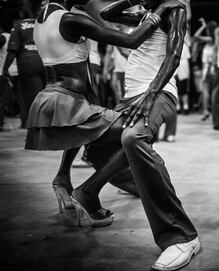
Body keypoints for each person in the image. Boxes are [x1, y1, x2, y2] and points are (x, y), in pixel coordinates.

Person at [24, 0, 182, 230]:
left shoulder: (42, 18)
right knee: (136, 133)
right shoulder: (71, 19)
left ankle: (63, 178)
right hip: (67, 101)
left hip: (51, 99)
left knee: (107, 137)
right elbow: (131, 40)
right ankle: (89, 191)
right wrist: (159, 10)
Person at [101, 0, 199, 271]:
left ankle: (182, 236)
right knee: (97, 140)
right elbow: (106, 14)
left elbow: (174, 56)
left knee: (133, 139)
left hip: (158, 93)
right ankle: (98, 191)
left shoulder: (175, 11)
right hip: (132, 96)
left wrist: (151, 93)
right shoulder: (147, 15)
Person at [2, 1, 46, 125]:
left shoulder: (19, 25)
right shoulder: (42, 24)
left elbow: (12, 51)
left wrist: (5, 69)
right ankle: (48, 124)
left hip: (27, 61)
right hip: (45, 60)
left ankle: (35, 126)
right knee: (47, 95)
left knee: (32, 97)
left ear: (22, 12)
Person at [194, 18, 218, 122]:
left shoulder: (210, 39)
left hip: (208, 68)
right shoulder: (217, 39)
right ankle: (216, 111)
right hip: (215, 68)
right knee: (216, 91)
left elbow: (196, 36)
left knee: (206, 91)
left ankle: (206, 111)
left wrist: (203, 26)